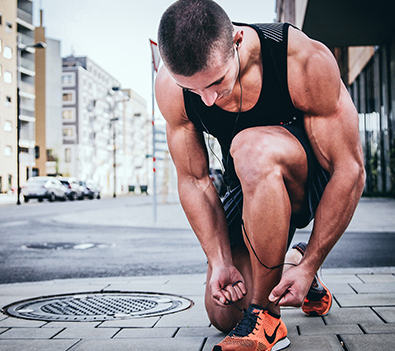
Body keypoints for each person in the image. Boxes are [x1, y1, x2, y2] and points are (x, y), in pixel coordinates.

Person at [155, 0, 366, 350]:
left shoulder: (299, 58)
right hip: (247, 183)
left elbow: (350, 169)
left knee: (251, 147)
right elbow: (194, 180)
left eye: (217, 81)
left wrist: (313, 263)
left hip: (305, 179)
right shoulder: (171, 86)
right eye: (195, 90)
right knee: (224, 314)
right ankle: (289, 262)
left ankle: (267, 320)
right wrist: (219, 259)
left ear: (237, 41)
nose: (207, 100)